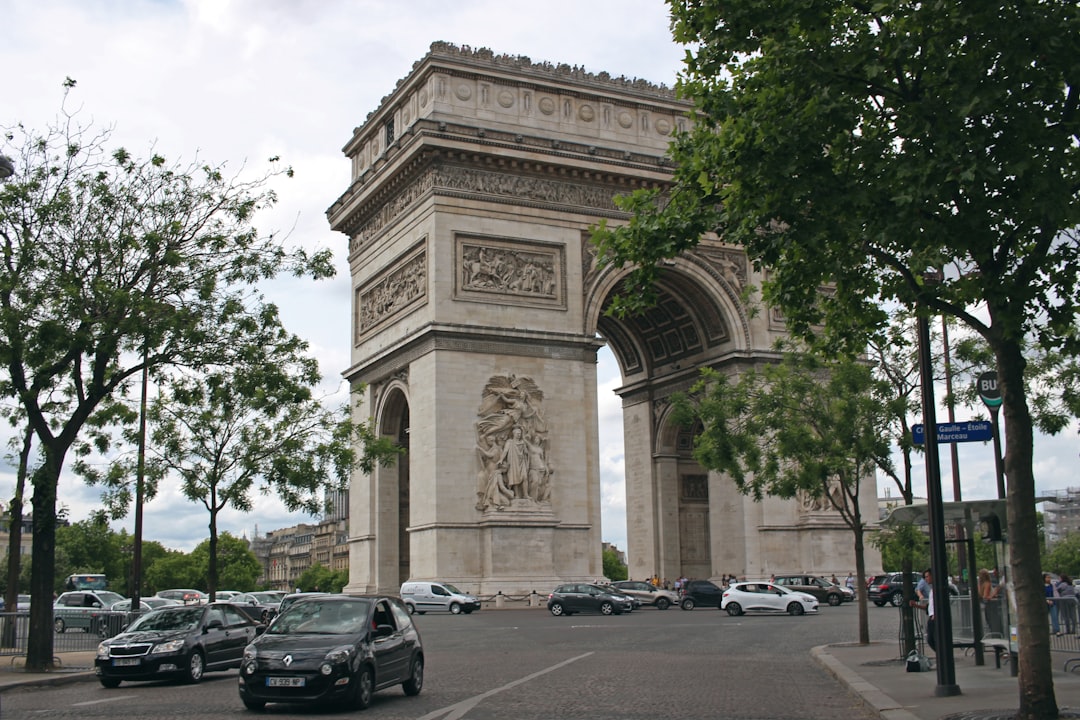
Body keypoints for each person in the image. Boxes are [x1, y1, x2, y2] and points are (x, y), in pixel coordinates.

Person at [978, 568, 1003, 636]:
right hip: (992, 605)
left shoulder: (980, 585)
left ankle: (994, 636)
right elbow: (985, 596)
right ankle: (997, 636)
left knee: (990, 623)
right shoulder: (987, 584)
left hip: (987, 606)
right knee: (995, 623)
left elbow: (981, 595)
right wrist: (994, 594)